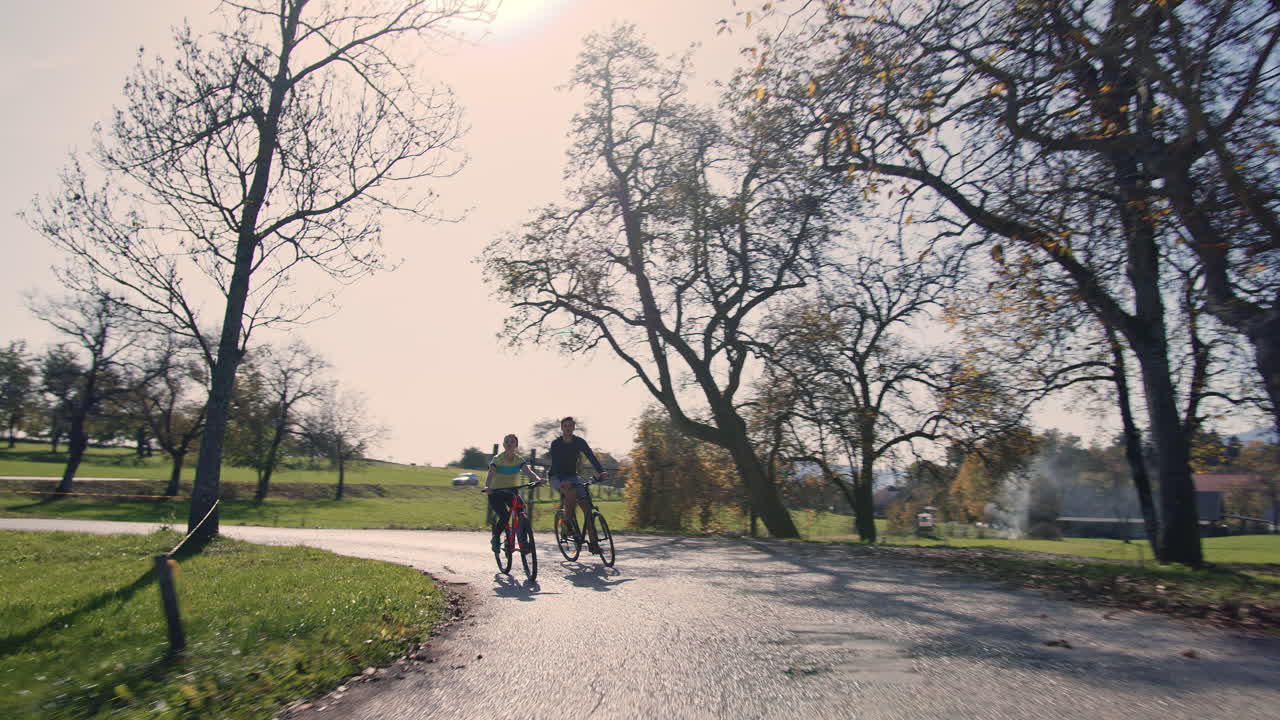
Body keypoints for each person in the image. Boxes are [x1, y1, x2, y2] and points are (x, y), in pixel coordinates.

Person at [547, 416, 608, 552]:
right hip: (556, 476)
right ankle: (566, 524)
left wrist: (601, 471)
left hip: (573, 476)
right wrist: (563, 480)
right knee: (571, 492)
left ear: (574, 427)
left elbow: (590, 456)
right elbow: (556, 464)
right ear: (562, 428)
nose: (568, 428)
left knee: (587, 508)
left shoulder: (579, 442)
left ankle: (594, 544)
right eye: (565, 426)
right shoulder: (556, 443)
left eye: (570, 426)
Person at [482, 434, 542, 554]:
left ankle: (523, 541)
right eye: (507, 442)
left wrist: (537, 479)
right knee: (504, 516)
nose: (510, 444)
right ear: (504, 445)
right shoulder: (497, 459)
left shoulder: (518, 460)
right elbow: (491, 474)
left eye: (512, 442)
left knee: (522, 511)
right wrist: (488, 487)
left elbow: (528, 471)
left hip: (511, 492)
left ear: (516, 445)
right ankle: (496, 537)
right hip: (496, 492)